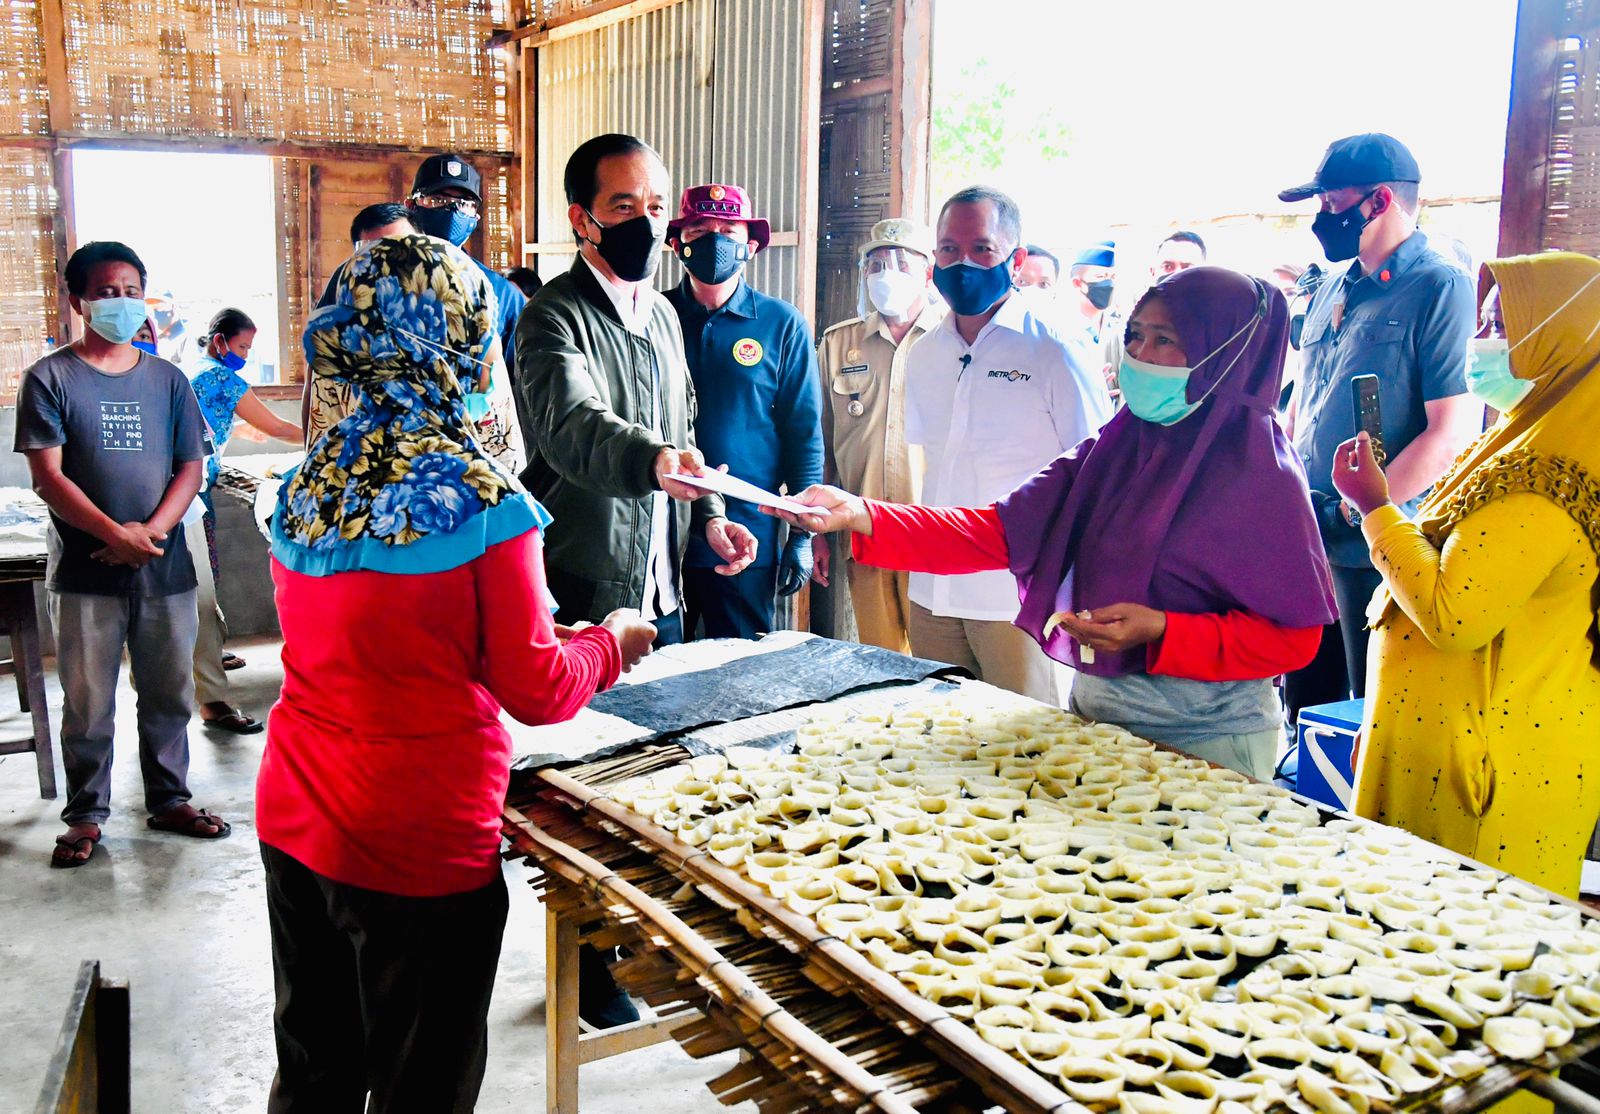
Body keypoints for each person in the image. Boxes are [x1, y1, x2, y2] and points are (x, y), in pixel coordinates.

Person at [258, 233, 655, 1111]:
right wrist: (612, 642)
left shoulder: (306, 484)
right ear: (464, 336)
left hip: (294, 813)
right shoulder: (484, 504)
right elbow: (540, 688)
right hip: (418, 838)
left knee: (315, 1066)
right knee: (421, 1083)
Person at [772, 267, 1337, 779]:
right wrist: (862, 513)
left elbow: (1292, 638)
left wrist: (1163, 630)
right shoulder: (1114, 450)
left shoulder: (1262, 479)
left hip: (1213, 742)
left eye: (1164, 340)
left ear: (1225, 355)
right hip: (1099, 721)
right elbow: (997, 531)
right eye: (1135, 334)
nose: (1136, 356)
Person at [1331, 252, 1600, 899]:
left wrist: (1375, 508)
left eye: (1502, 325)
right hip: (1458, 754)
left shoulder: (1544, 482)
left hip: (1486, 775)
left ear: (1561, 338)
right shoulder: (1521, 440)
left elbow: (1454, 614)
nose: (1480, 343)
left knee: (1466, 954)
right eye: (1482, 324)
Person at [15, 241, 226, 867]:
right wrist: (114, 534)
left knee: (168, 692)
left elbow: (192, 463)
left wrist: (149, 534)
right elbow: (48, 477)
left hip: (165, 565)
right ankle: (85, 815)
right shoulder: (50, 378)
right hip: (87, 571)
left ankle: (169, 798)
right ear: (78, 300)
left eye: (132, 289)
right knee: (87, 699)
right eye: (107, 291)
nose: (122, 302)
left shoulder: (167, 380)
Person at [513, 134, 759, 649]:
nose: (644, 223)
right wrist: (656, 460)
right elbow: (574, 427)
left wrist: (710, 518)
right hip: (584, 600)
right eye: (623, 207)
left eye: (655, 207)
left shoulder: (663, 315)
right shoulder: (552, 315)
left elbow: (681, 432)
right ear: (582, 220)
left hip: (666, 594)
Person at [1277, 133, 1482, 725]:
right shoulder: (1328, 287)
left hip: (1377, 545)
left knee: (1366, 717)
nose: (1322, 218)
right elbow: (1305, 402)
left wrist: (1365, 509)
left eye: (1331, 202)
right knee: (1306, 711)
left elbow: (1450, 430)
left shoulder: (1439, 286)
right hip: (1306, 533)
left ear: (1379, 200)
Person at [900, 186, 1113, 704]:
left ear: (1015, 259)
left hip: (1016, 596)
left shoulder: (1054, 346)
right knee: (937, 737)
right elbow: (931, 463)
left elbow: (1098, 470)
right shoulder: (924, 354)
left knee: (1026, 753)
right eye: (949, 250)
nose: (962, 263)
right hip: (934, 590)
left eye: (982, 249)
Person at [664, 183, 823, 638]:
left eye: (728, 229)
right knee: (651, 674)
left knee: (737, 672)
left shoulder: (780, 323)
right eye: (700, 229)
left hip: (746, 536)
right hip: (660, 530)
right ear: (678, 243)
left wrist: (802, 535)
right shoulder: (654, 315)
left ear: (750, 245)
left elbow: (803, 432)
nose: (714, 239)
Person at [816, 218, 942, 653]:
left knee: (939, 665)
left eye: (901, 263)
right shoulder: (838, 344)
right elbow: (825, 446)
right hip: (862, 531)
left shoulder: (954, 341)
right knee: (881, 658)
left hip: (932, 533)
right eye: (876, 264)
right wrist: (818, 533)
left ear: (927, 272)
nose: (887, 273)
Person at [185, 308, 302, 734]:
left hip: (193, 482)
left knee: (203, 581)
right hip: (190, 489)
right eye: (241, 347)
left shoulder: (196, 367)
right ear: (219, 341)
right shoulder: (220, 377)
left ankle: (211, 655)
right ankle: (211, 686)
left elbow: (226, 424)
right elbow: (277, 427)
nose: (244, 355)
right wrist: (327, 430)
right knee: (202, 583)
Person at [306, 204, 417, 444]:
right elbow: (321, 429)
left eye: (401, 249)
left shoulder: (457, 327)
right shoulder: (336, 344)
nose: (389, 265)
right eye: (374, 254)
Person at [406, 154, 526, 373]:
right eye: (438, 200)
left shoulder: (501, 293)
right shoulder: (375, 276)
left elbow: (519, 380)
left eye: (463, 204)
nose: (452, 212)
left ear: (476, 216)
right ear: (411, 206)